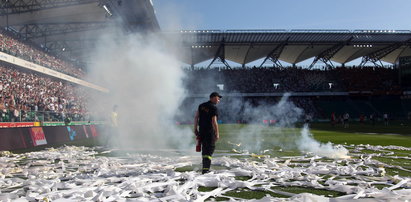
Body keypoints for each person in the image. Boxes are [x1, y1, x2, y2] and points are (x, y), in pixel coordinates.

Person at [194, 92, 222, 174]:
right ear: (212, 98)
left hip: (201, 131)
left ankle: (204, 168)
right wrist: (217, 133)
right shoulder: (213, 107)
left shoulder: (201, 105)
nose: (219, 100)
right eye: (218, 98)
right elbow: (214, 121)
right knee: (209, 150)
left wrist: (195, 128)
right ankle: (206, 169)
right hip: (209, 132)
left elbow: (196, 117)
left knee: (204, 150)